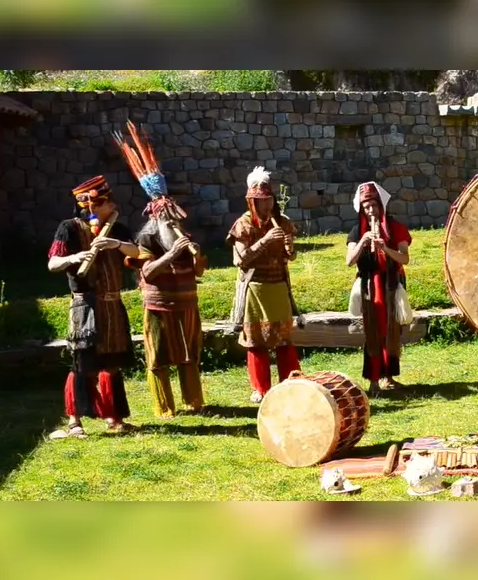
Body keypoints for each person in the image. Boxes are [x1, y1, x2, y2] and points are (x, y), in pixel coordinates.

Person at [115, 121, 208, 419]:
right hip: (159, 306)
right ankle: (164, 407)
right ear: (156, 217)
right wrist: (171, 254)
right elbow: (147, 273)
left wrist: (197, 261)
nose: (174, 222)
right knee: (158, 357)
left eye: (175, 217)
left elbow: (198, 273)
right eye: (168, 218)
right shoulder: (146, 235)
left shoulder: (181, 234)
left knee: (190, 354)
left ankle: (194, 400)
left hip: (187, 303)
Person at [47, 176, 141, 438]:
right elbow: (52, 264)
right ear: (93, 206)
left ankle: (114, 417)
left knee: (112, 364)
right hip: (85, 306)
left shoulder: (117, 229)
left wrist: (116, 244)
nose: (112, 206)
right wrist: (76, 257)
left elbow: (136, 253)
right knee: (83, 364)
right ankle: (75, 422)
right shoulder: (69, 228)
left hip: (112, 305)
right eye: (107, 202)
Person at [227, 167, 302, 403]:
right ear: (251, 201)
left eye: (268, 199)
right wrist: (266, 240)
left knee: (284, 339)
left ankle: (291, 382)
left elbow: (291, 257)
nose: (265, 204)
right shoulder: (243, 224)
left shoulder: (283, 222)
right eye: (260, 200)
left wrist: (290, 249)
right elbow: (240, 260)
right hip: (255, 288)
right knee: (256, 341)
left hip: (278, 286)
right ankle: (261, 388)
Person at [345, 182, 412, 395]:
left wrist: (386, 248)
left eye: (374, 205)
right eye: (366, 207)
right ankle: (374, 380)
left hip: (391, 284)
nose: (371, 210)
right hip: (369, 286)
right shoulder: (356, 232)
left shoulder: (395, 228)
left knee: (392, 330)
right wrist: (364, 241)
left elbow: (405, 258)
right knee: (374, 331)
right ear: (362, 209)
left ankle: (388, 377)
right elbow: (349, 261)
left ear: (381, 205)